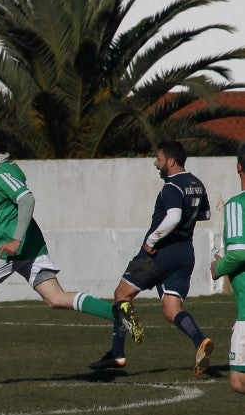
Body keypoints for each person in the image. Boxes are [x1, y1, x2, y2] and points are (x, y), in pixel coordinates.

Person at [0, 127, 118, 377]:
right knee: (55, 298)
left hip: (8, 247)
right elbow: (11, 207)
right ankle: (117, 313)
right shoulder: (12, 168)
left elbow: (26, 200)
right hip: (31, 245)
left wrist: (15, 240)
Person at [90, 140, 213, 375]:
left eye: (158, 158)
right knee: (171, 309)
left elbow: (174, 216)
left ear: (171, 160)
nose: (155, 164)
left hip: (160, 253)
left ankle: (117, 353)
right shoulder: (196, 183)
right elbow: (205, 213)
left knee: (121, 295)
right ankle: (200, 341)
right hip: (185, 253)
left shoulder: (171, 186)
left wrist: (152, 240)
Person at [211, 143, 245, 393]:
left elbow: (239, 253)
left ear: (238, 167)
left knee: (239, 381)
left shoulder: (237, 205)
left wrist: (218, 267)